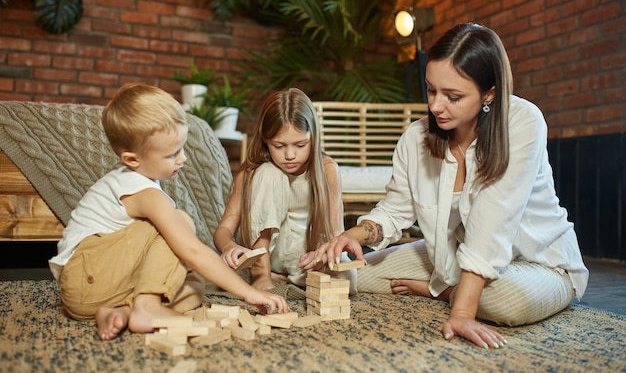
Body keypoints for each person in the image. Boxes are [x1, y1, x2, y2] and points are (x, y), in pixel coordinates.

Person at [314, 22, 589, 349]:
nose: (435, 106)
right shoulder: (415, 138)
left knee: (506, 301)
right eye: (431, 90)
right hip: (454, 251)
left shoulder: (522, 122)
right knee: (341, 275)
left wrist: (460, 311)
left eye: (453, 96)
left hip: (541, 263)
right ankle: (446, 285)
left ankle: (443, 290)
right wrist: (351, 236)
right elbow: (395, 210)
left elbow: (491, 224)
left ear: (490, 93)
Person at [48, 83, 289, 341]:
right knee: (180, 225)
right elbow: (192, 250)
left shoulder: (142, 180)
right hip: (83, 279)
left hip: (96, 289)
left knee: (194, 287)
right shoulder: (141, 192)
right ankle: (146, 306)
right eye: (172, 154)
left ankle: (122, 310)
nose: (182, 159)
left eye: (182, 149)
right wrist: (249, 293)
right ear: (132, 159)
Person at [213, 88, 349, 291]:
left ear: (313, 137)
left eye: (300, 144)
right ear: (265, 141)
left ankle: (286, 277)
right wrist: (228, 246)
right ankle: (261, 273)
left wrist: (322, 256)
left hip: (306, 260)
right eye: (279, 146)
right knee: (268, 171)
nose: (290, 155)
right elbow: (223, 230)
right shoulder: (251, 173)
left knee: (349, 276)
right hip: (268, 256)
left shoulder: (327, 169)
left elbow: (336, 233)